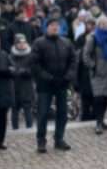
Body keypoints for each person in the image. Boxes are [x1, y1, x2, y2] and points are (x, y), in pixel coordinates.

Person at [30, 20, 75, 153]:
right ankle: (41, 140)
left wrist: (68, 76)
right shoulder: (39, 43)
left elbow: (73, 60)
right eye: (52, 26)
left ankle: (59, 138)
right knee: (43, 113)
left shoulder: (66, 42)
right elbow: (35, 64)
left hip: (63, 83)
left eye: (57, 26)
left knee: (63, 113)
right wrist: (48, 77)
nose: (55, 28)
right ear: (47, 28)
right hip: (45, 85)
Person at [83, 16, 107, 135]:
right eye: (102, 23)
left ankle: (102, 120)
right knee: (98, 98)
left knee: (106, 98)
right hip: (98, 73)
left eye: (106, 23)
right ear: (98, 25)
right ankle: (98, 123)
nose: (104, 25)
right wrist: (93, 65)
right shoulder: (93, 38)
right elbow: (86, 55)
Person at [9, 34, 35, 130]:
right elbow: (9, 69)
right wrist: (15, 71)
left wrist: (24, 72)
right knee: (14, 109)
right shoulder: (11, 56)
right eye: (19, 43)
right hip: (14, 87)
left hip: (27, 87)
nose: (22, 44)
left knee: (28, 109)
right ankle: (15, 129)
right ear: (16, 44)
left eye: (24, 42)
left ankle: (30, 129)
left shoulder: (31, 56)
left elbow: (34, 69)